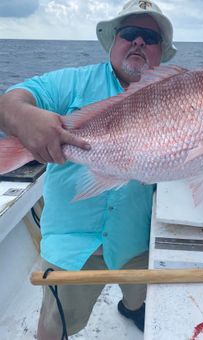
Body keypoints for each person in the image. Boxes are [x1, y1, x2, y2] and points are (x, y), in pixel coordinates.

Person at [0, 0, 177, 338]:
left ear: (160, 52)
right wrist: (24, 118)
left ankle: (131, 307)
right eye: (130, 33)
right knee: (56, 327)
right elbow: (10, 102)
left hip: (136, 241)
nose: (139, 41)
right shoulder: (72, 83)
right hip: (72, 245)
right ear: (113, 41)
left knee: (141, 297)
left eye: (150, 37)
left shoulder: (173, 97)